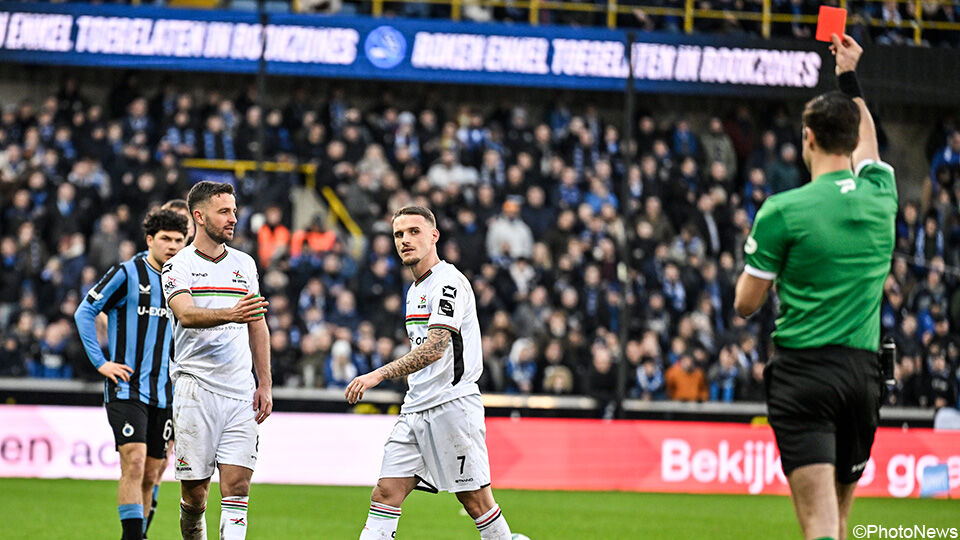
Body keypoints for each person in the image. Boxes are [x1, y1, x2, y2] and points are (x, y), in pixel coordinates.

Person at [734, 35, 897, 540]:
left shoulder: (783, 210)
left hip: (804, 374)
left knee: (819, 524)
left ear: (807, 137)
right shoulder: (882, 192)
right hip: (863, 375)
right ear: (850, 144)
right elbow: (868, 141)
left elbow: (745, 304)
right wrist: (850, 77)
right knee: (842, 521)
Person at [345, 206, 513, 540]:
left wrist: (377, 375)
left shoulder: (448, 283)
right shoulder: (415, 289)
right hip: (416, 408)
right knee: (385, 493)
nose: (405, 240)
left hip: (452, 407)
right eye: (398, 234)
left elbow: (436, 347)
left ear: (434, 236)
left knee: (476, 501)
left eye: (413, 232)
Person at [162, 181, 273, 540]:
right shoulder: (177, 266)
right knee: (195, 495)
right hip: (195, 389)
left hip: (240, 391)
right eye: (224, 211)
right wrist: (232, 313)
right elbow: (187, 315)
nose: (233, 219)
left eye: (234, 211)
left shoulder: (244, 264)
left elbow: (258, 325)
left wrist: (265, 383)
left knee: (237, 486)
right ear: (199, 215)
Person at [74, 208, 189, 540]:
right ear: (150, 240)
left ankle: (140, 535)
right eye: (165, 239)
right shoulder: (127, 273)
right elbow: (86, 311)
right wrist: (101, 362)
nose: (172, 246)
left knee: (153, 474)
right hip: (126, 388)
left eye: (178, 240)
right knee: (135, 462)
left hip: (165, 393)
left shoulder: (183, 282)